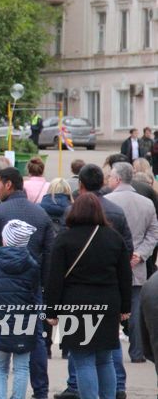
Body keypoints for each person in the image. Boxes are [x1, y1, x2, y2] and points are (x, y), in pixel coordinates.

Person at [45, 193, 132, 399]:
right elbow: (124, 276)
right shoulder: (114, 238)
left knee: (83, 360)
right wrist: (125, 307)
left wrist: (52, 310)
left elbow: (54, 277)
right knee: (105, 359)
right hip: (108, 304)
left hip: (75, 305)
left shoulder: (64, 239)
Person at [0, 166, 54, 399]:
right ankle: (40, 389)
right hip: (31, 288)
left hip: (0, 287)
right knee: (35, 340)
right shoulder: (41, 214)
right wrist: (41, 284)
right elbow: (50, 255)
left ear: (8, 184)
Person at [104, 162, 158, 363]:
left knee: (110, 308)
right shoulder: (146, 203)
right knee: (135, 310)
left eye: (110, 176)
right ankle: (137, 353)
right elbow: (154, 233)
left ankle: (110, 353)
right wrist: (141, 254)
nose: (108, 180)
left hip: (111, 264)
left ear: (117, 179)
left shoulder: (107, 202)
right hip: (137, 264)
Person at [0, 220, 40, 399]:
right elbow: (34, 291)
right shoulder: (32, 265)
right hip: (24, 320)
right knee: (22, 367)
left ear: (5, 239)